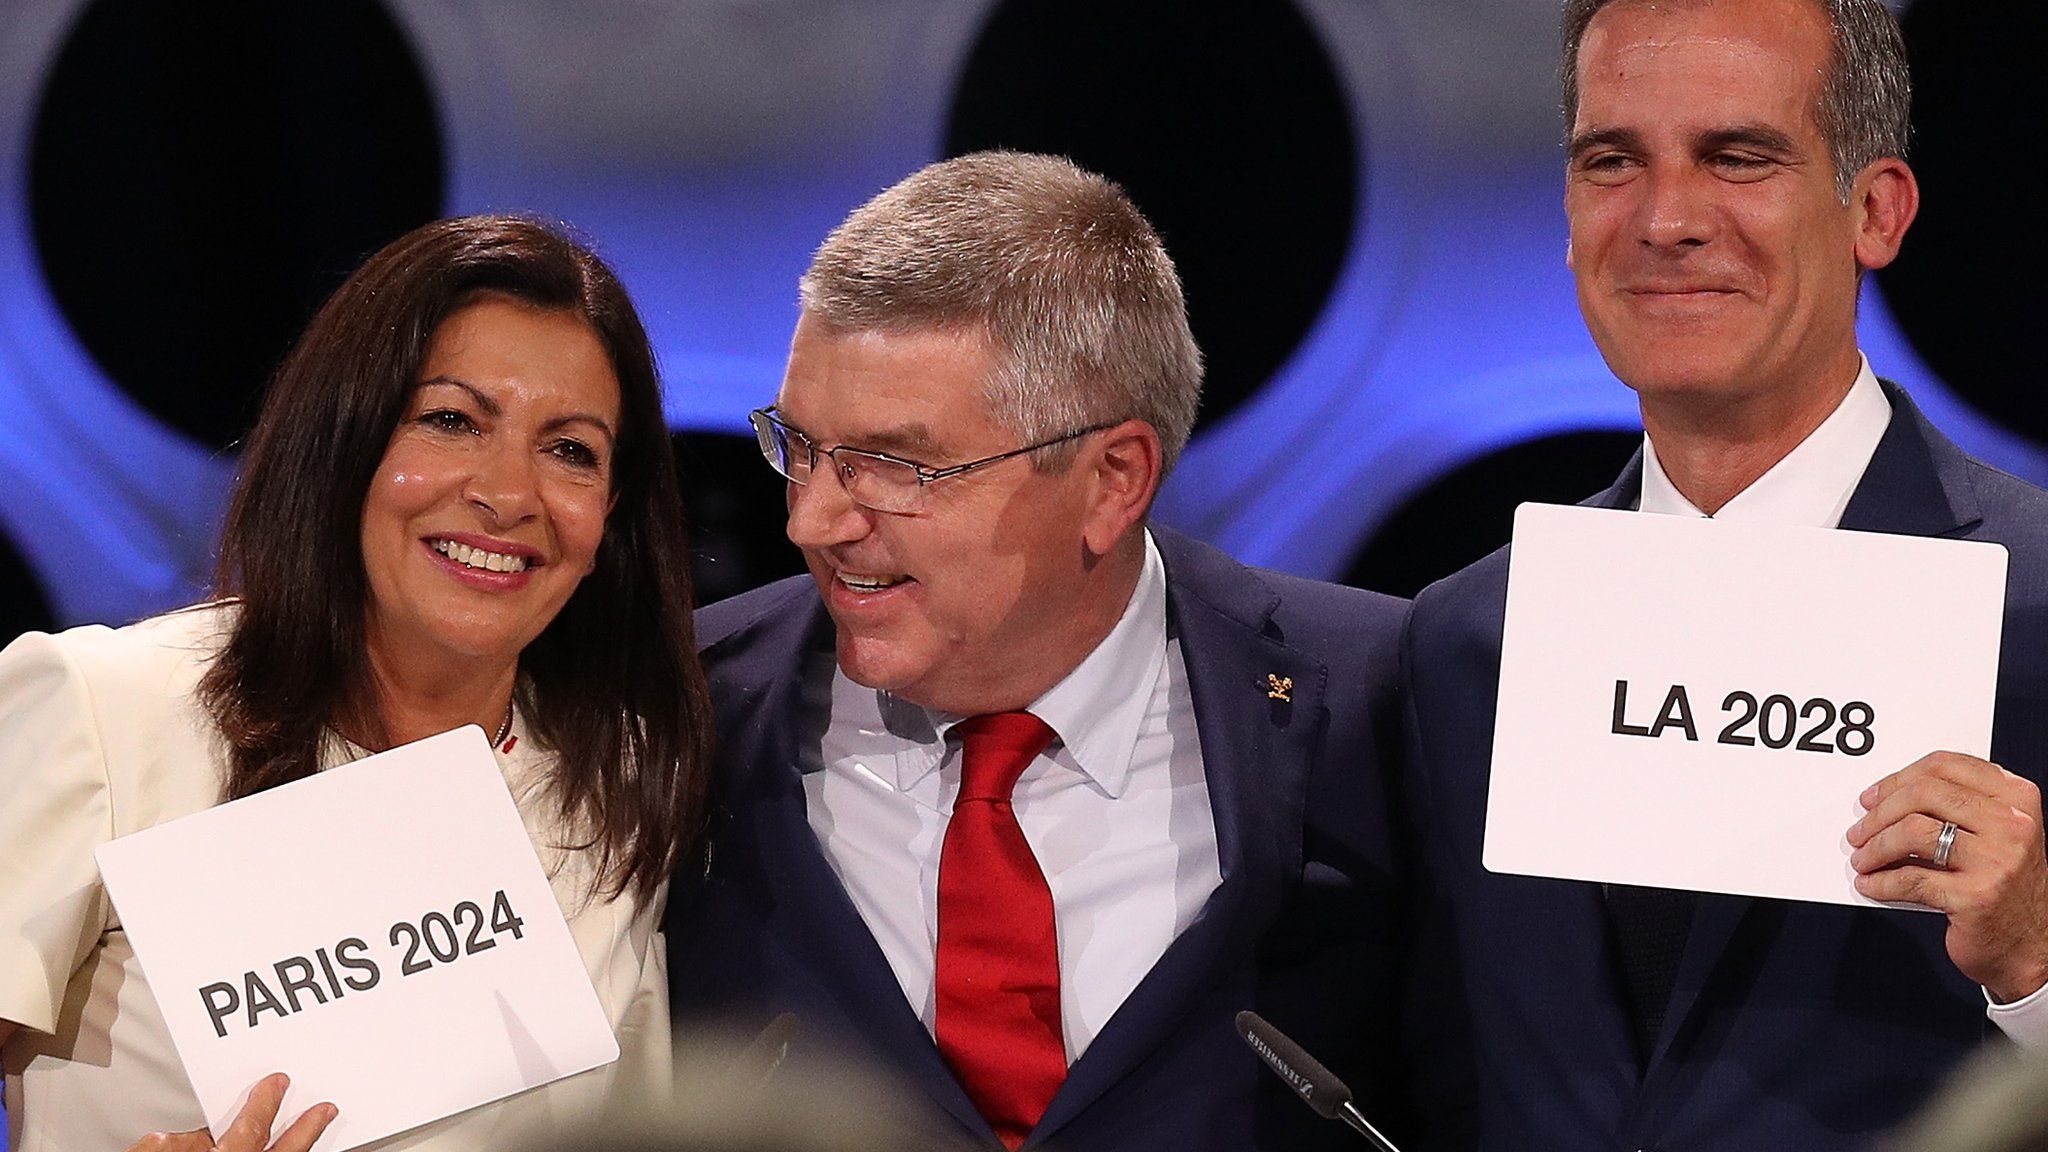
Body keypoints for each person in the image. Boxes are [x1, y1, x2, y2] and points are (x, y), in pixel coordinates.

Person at [664, 151, 1432, 1151]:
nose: (812, 520)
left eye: (893, 465)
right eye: (799, 447)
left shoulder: (1387, 699)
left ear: (1112, 479)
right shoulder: (675, 707)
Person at [1400, 0, 2048, 1147]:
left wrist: (2034, 968)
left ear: (1875, 211)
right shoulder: (1462, 642)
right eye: (1611, 162)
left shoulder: (2035, 602)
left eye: (1735, 157)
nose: (1664, 219)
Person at [0, 214, 716, 1150]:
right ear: (345, 442)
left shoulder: (615, 781)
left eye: (570, 450)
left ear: (609, 515)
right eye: (452, 420)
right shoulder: (102, 709)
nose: (509, 494)